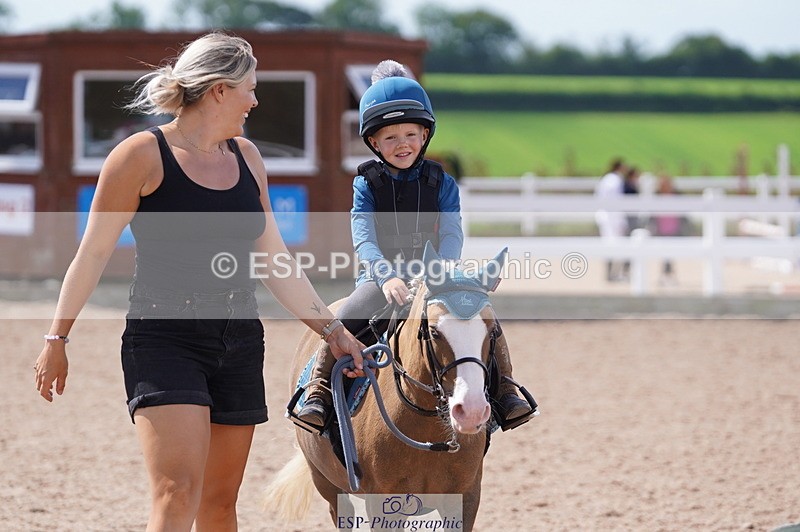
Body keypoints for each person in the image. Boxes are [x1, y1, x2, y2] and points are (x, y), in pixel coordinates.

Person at [32, 32, 365, 532]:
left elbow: (275, 259)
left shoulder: (248, 158)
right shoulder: (139, 156)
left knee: (220, 503)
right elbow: (93, 252)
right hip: (164, 337)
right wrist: (57, 337)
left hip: (238, 339)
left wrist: (333, 332)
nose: (255, 99)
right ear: (219, 90)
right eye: (250, 88)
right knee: (175, 492)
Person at [295, 60, 535, 432]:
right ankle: (318, 390)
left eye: (410, 134)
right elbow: (364, 238)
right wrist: (386, 277)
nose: (401, 144)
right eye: (390, 137)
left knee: (484, 317)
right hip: (380, 279)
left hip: (435, 276)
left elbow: (452, 234)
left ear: (425, 135)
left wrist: (443, 272)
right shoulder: (366, 185)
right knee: (343, 320)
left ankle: (505, 390)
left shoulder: (443, 183)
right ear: (373, 142)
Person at [595, 158, 629, 282]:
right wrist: (621, 219)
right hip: (613, 217)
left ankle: (610, 274)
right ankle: (613, 274)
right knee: (616, 246)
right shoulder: (615, 180)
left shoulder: (606, 179)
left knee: (609, 245)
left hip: (606, 216)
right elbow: (616, 200)